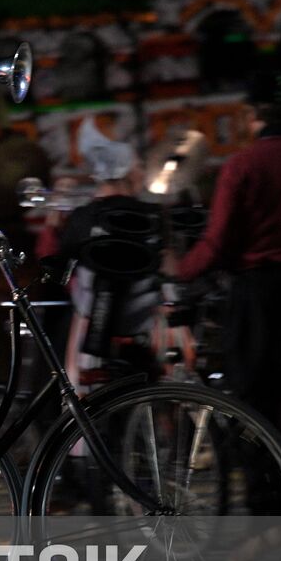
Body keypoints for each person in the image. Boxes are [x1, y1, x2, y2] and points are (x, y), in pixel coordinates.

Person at [166, 70, 281, 433]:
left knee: (253, 392)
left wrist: (181, 270)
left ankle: (265, 481)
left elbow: (217, 242)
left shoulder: (242, 166)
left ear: (254, 115)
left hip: (262, 292)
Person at [54, 117, 163, 388]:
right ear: (126, 171)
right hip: (145, 337)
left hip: (91, 338)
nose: (142, 172)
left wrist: (53, 220)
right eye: (138, 166)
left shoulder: (82, 218)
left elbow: (57, 271)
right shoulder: (154, 216)